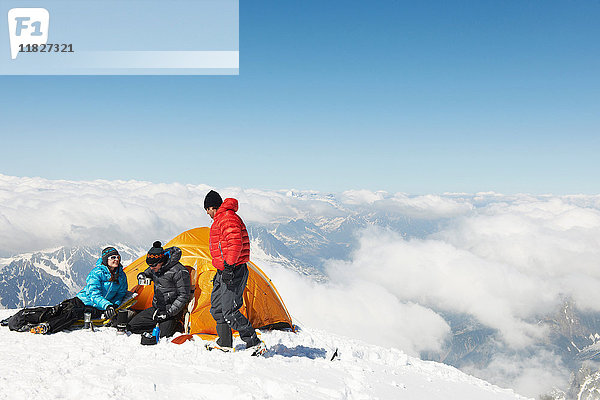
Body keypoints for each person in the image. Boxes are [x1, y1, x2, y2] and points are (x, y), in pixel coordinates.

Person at [3, 247, 128, 334]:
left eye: (118, 257)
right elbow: (93, 293)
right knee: (55, 311)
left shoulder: (121, 275)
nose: (116, 259)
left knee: (73, 313)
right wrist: (107, 305)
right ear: (106, 259)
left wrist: (113, 306)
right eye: (112, 257)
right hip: (82, 300)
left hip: (96, 308)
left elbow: (120, 294)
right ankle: (21, 317)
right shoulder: (97, 273)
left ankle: (48, 326)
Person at [204, 190, 265, 355]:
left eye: (207, 210)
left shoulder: (227, 218)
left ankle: (254, 342)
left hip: (233, 270)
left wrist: (230, 267)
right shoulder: (221, 219)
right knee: (217, 308)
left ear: (212, 207)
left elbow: (235, 243)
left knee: (230, 311)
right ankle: (224, 343)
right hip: (223, 270)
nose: (207, 213)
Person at [127, 241, 191, 340]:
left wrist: (168, 313)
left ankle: (175, 325)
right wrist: (142, 275)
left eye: (154, 266)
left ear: (162, 261)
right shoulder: (155, 267)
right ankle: (158, 325)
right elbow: (147, 272)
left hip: (171, 312)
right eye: (150, 266)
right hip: (157, 309)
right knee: (131, 327)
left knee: (163, 336)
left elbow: (183, 296)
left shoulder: (179, 271)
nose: (152, 268)